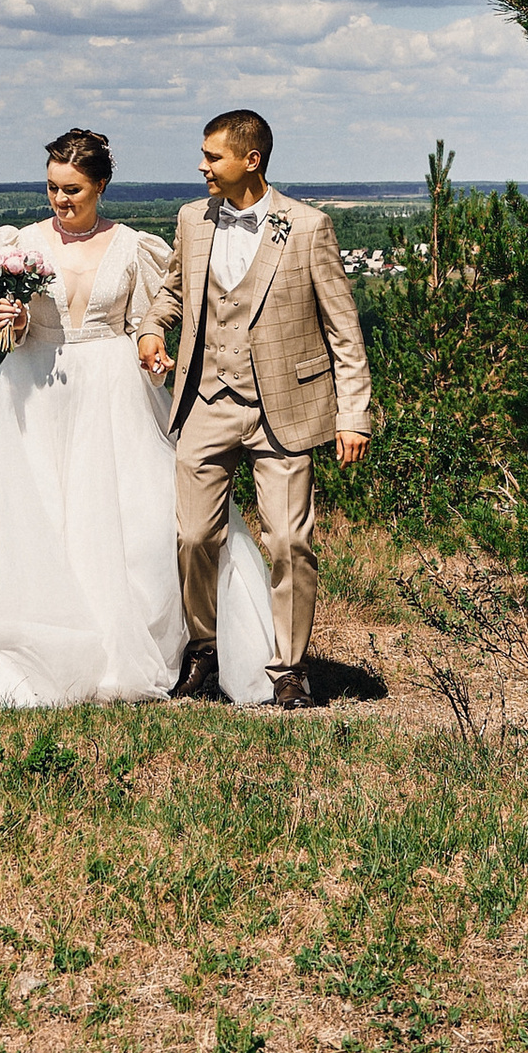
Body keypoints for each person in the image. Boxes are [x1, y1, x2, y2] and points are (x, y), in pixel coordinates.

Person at [0, 127, 276, 710]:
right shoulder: (18, 243)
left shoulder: (133, 247)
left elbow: (145, 324)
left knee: (129, 523)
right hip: (34, 393)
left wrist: (152, 353)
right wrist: (13, 322)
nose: (60, 200)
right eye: (52, 188)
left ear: (101, 185)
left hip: (113, 393)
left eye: (73, 188)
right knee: (39, 518)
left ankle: (152, 645)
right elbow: (8, 333)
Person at [139, 109, 373, 712]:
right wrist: (151, 331)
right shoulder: (194, 219)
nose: (201, 167)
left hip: (285, 410)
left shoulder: (308, 226)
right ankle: (203, 651)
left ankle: (289, 669)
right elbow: (172, 289)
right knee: (192, 535)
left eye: (212, 156)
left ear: (252, 160)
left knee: (290, 541)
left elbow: (343, 329)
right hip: (205, 401)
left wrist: (353, 414)